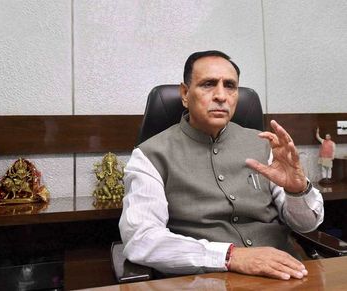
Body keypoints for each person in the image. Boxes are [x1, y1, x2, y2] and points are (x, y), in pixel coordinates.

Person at [119, 50, 324, 281]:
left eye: (230, 86)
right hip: (206, 281)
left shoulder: (265, 144)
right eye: (208, 84)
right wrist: (230, 256)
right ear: (185, 94)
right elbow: (141, 239)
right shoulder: (150, 155)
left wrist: (297, 190)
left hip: (286, 275)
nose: (221, 95)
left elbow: (307, 225)